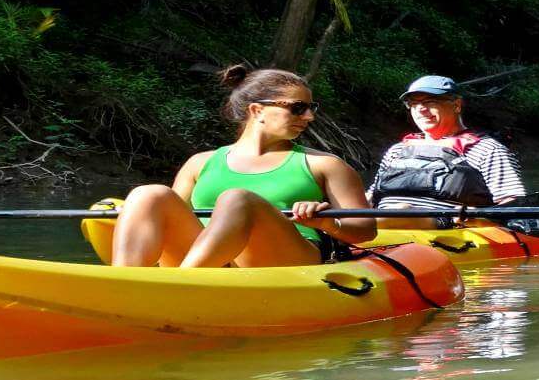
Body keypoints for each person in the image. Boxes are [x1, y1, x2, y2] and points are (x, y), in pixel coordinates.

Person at [109, 66, 376, 267]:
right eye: (298, 108)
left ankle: (184, 284)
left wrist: (326, 224)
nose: (309, 116)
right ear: (257, 110)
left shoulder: (325, 165)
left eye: (310, 107)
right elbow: (169, 218)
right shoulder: (199, 163)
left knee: (238, 199)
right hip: (209, 260)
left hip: (282, 260)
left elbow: (366, 231)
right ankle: (123, 284)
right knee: (149, 194)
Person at [368, 75, 527, 229]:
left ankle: (353, 227)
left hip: (443, 225)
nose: (421, 109)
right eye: (414, 103)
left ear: (456, 105)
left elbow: (513, 203)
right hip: (382, 225)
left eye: (430, 102)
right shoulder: (397, 150)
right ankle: (351, 229)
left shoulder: (487, 149)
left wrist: (477, 218)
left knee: (402, 211)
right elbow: (371, 197)